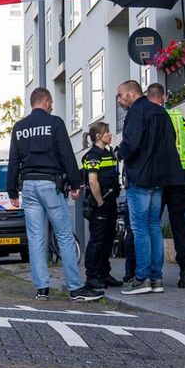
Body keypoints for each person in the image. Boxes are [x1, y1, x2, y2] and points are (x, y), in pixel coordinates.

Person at [7, 87, 103, 303]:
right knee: (64, 237)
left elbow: (13, 160)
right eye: (51, 103)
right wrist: (76, 182)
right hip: (50, 185)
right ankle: (75, 288)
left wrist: (12, 190)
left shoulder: (19, 127)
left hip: (29, 187)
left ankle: (42, 289)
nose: (52, 107)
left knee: (35, 238)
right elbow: (66, 154)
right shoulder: (55, 123)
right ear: (47, 102)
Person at [115, 80, 185, 295]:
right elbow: (170, 144)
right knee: (153, 225)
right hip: (160, 178)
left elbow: (132, 143)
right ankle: (156, 278)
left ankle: (142, 278)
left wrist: (119, 153)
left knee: (139, 228)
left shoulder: (136, 112)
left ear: (132, 93)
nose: (119, 100)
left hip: (141, 177)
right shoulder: (161, 112)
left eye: (120, 95)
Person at [146, 83, 185, 288]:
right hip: (178, 177)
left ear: (149, 99)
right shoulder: (178, 117)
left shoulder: (151, 118)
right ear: (163, 97)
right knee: (179, 224)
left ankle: (153, 273)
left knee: (152, 224)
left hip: (158, 177)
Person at [81, 120, 123, 289]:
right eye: (107, 132)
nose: (110, 134)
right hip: (99, 204)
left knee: (108, 239)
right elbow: (92, 180)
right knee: (97, 240)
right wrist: (99, 201)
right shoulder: (93, 155)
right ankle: (91, 276)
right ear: (98, 136)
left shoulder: (108, 153)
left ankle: (104, 274)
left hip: (110, 202)